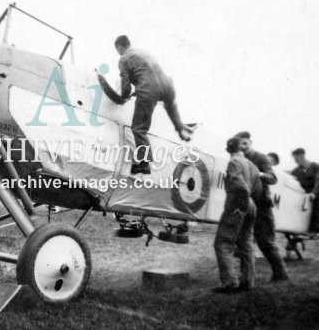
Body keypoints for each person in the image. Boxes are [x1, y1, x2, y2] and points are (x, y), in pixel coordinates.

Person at [97, 35, 195, 175]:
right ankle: (180, 127)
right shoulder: (143, 52)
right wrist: (139, 90)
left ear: (119, 47)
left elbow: (125, 89)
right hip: (167, 86)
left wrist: (124, 97)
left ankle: (144, 164)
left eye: (118, 50)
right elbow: (149, 75)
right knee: (170, 106)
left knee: (138, 128)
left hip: (149, 89)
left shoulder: (124, 59)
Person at [236, 132, 289, 282]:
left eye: (245, 143)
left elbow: (272, 178)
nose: (243, 146)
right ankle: (245, 276)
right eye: (240, 144)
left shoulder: (261, 158)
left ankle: (281, 273)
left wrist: (260, 174)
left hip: (262, 206)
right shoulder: (239, 159)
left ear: (250, 142)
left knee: (265, 241)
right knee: (243, 241)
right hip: (246, 204)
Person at [213, 136, 260, 293]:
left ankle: (229, 282)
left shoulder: (233, 162)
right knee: (245, 243)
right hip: (251, 204)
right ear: (241, 149)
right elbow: (257, 188)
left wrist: (241, 205)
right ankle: (248, 281)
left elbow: (239, 185)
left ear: (228, 149)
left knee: (223, 243)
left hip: (238, 205)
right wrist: (248, 203)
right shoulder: (252, 164)